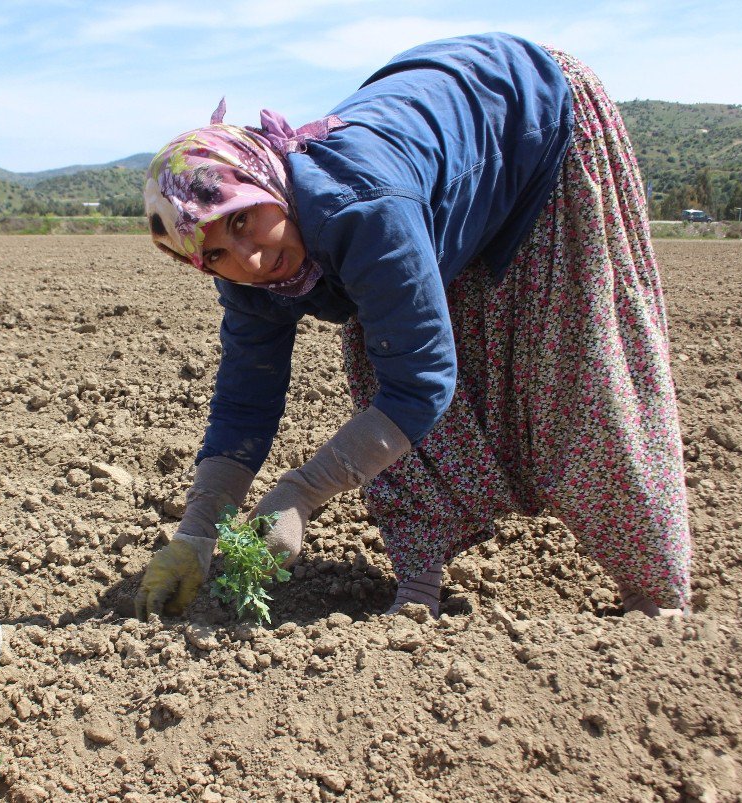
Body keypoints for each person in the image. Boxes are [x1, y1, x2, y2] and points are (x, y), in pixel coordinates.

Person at [133, 32, 692, 621]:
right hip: (432, 161)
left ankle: (654, 593)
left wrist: (302, 492)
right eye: (216, 254)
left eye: (243, 220)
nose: (247, 258)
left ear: (263, 180)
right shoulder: (252, 276)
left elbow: (422, 382)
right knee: (383, 367)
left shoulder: (364, 206)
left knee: (572, 370)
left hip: (531, 120)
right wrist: (195, 534)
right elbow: (247, 397)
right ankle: (420, 585)